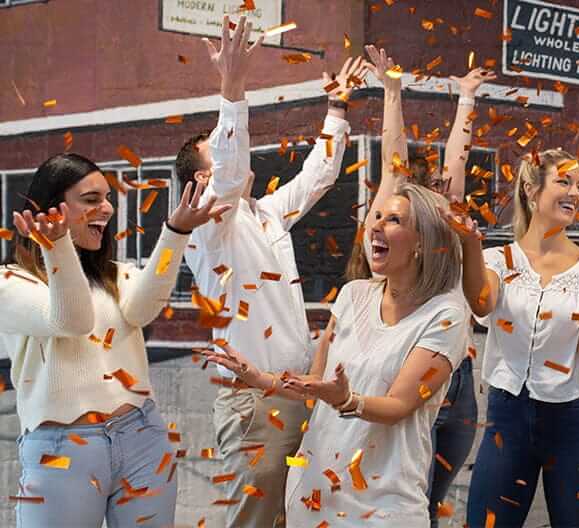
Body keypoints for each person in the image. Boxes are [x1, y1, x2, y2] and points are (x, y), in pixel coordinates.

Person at [174, 15, 366, 527]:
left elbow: (320, 174)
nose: (235, 152)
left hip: (293, 391)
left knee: (287, 517)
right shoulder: (207, 225)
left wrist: (337, 106)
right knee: (252, 520)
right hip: (251, 402)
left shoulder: (265, 213)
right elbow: (231, 172)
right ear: (200, 178)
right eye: (219, 149)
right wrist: (232, 87)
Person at [203, 183, 469, 527]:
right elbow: (316, 386)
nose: (375, 226)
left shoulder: (446, 315)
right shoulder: (352, 295)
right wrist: (260, 378)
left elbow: (399, 406)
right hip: (315, 494)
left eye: (394, 220)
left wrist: (348, 400)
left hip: (385, 503)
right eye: (376, 217)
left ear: (424, 242)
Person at [1, 153, 225, 527]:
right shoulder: (10, 282)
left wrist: (177, 231)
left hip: (142, 436)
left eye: (107, 198)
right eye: (91, 200)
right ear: (52, 206)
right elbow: (71, 319)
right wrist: (56, 248)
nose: (106, 208)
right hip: (62, 450)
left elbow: (142, 310)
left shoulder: (118, 275)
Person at [448, 147, 579, 528]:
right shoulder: (499, 260)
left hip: (573, 424)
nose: (574, 193)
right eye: (564, 181)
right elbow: (482, 304)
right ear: (532, 190)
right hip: (507, 419)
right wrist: (469, 244)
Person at [355, 45, 496, 526]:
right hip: (393, 369)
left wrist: (467, 99)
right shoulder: (390, 221)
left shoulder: (448, 224)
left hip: (452, 381)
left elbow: (456, 163)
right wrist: (391, 92)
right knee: (387, 493)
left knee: (427, 502)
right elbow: (393, 164)